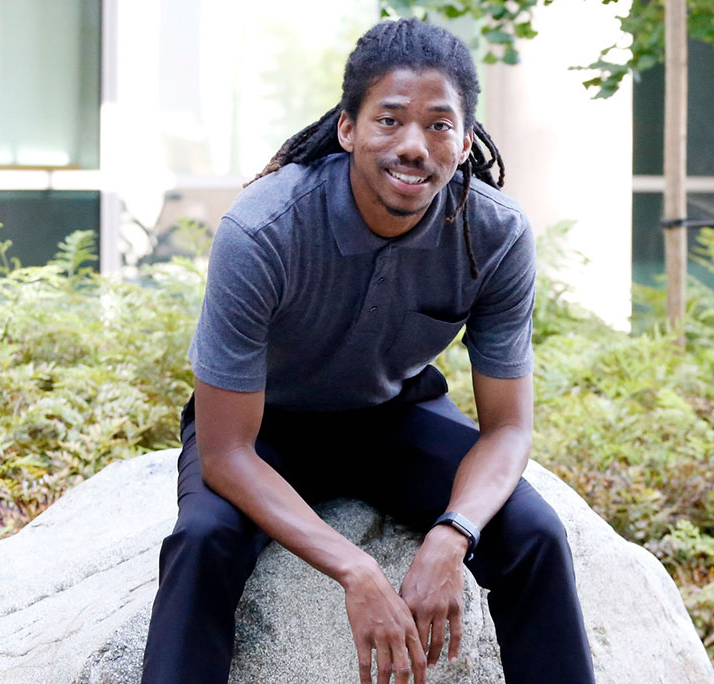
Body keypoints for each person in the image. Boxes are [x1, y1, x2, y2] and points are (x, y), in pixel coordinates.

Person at [140, 18, 595, 684]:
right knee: (201, 541)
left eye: (440, 125)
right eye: (389, 120)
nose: (414, 145)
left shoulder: (493, 235)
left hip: (393, 416)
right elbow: (226, 452)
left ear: (465, 140)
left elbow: (507, 429)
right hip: (267, 429)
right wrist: (358, 572)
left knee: (535, 534)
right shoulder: (262, 230)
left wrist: (453, 533)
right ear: (348, 128)